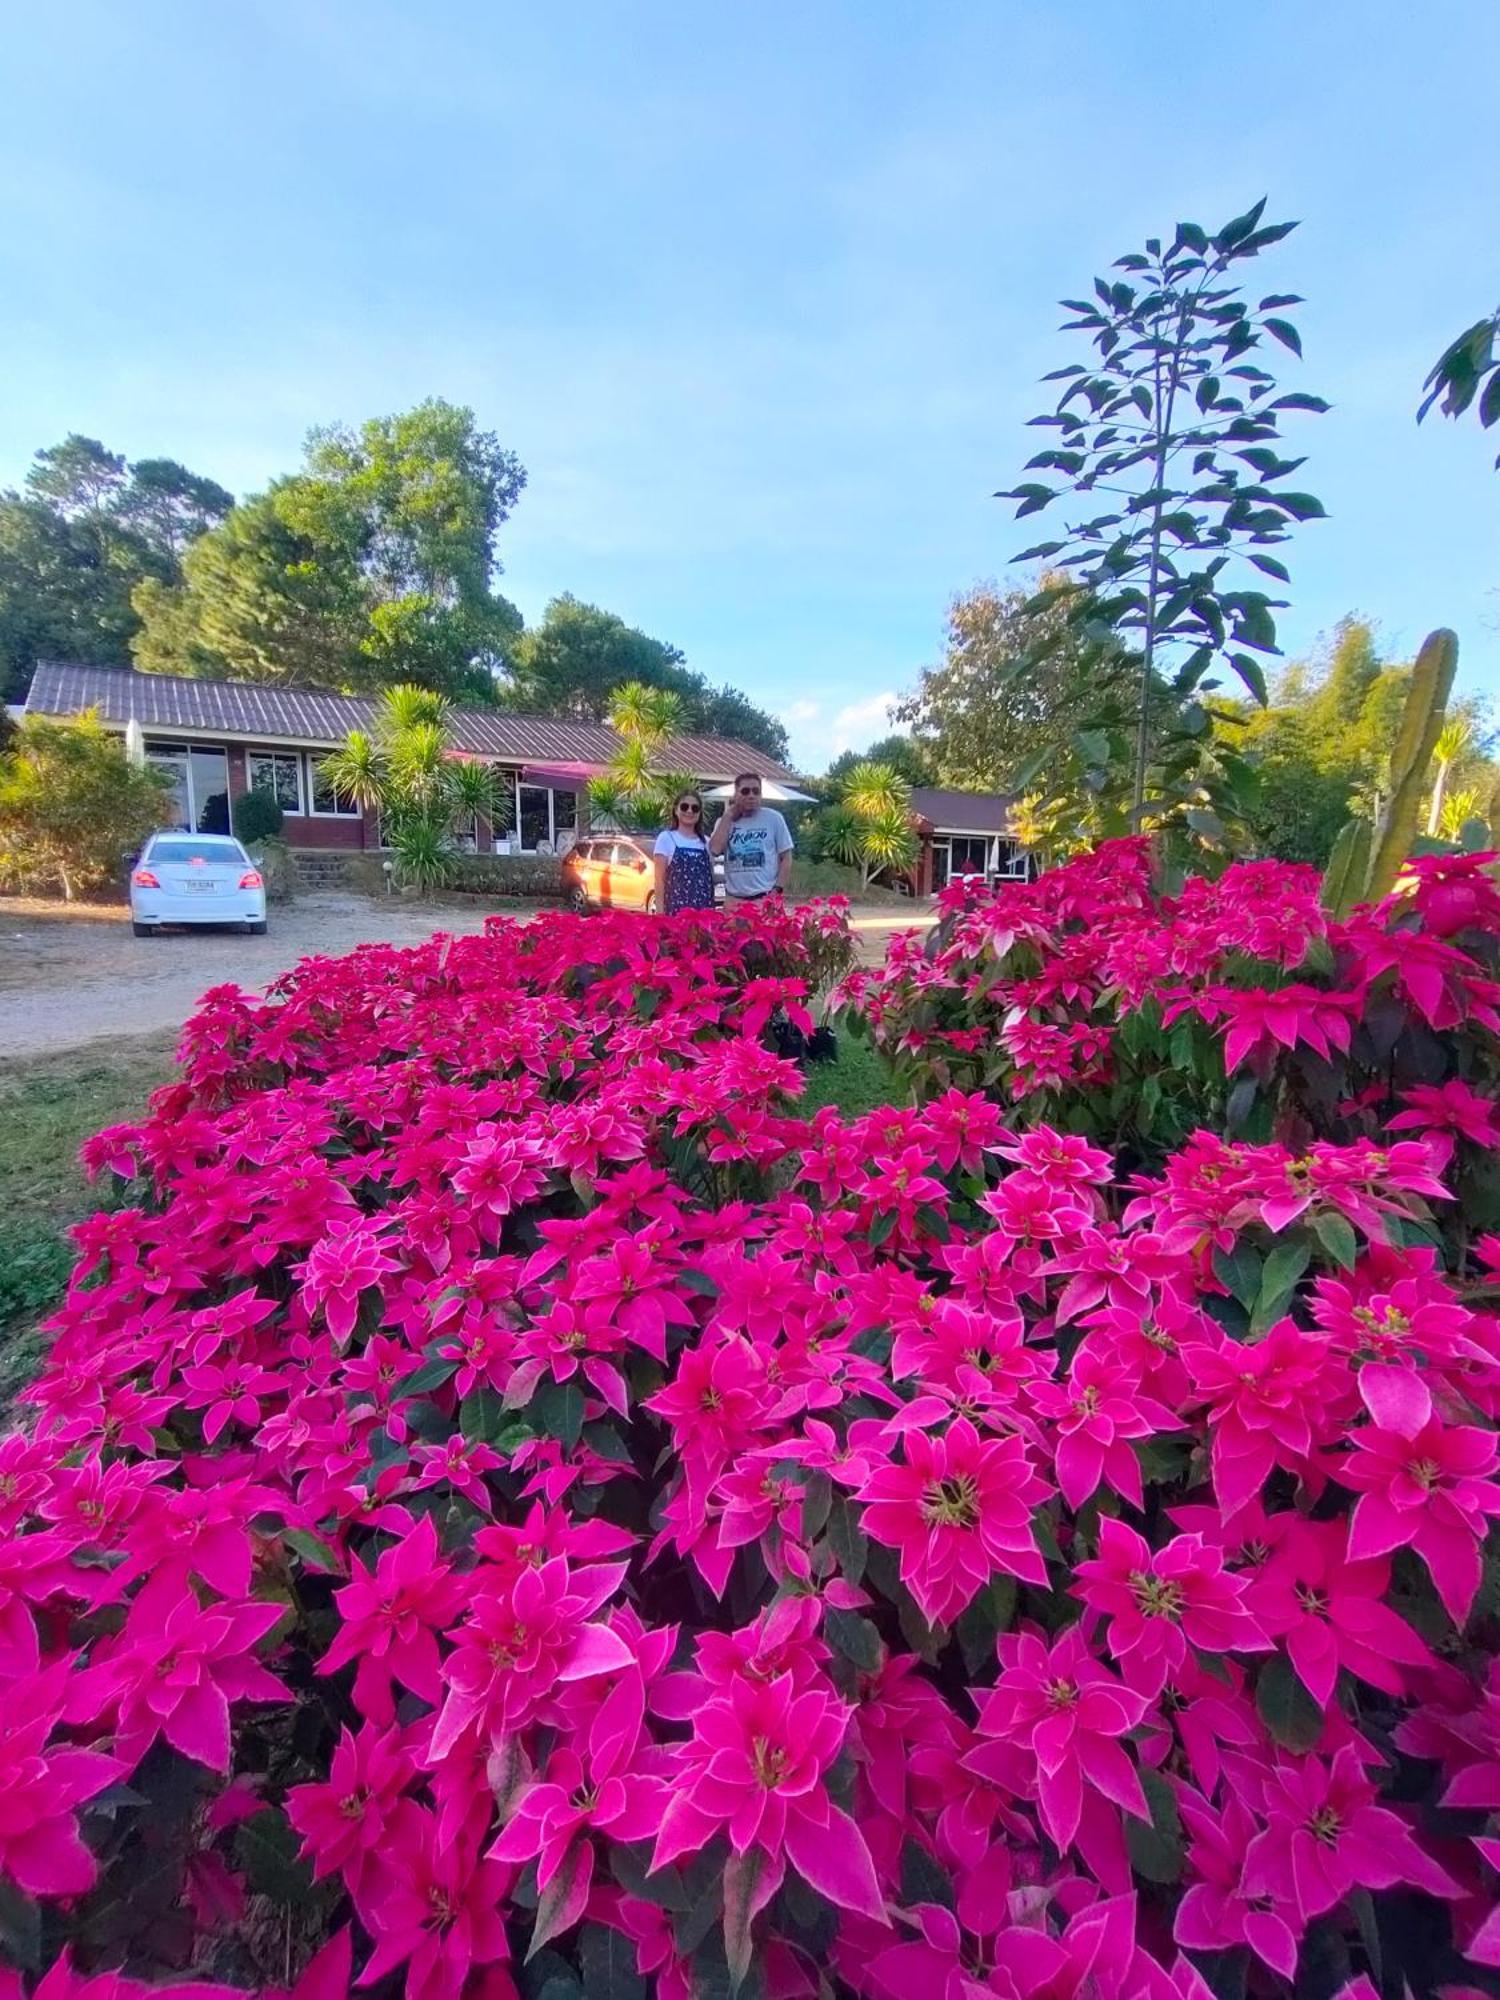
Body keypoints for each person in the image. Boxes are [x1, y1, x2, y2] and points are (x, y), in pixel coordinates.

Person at [710, 772, 794, 906]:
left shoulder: (774, 818)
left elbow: (786, 857)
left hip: (764, 899)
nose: (751, 795)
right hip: (734, 901)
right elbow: (714, 850)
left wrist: (777, 890)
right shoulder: (724, 822)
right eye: (745, 791)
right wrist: (728, 816)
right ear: (736, 794)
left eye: (756, 791)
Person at [653, 790, 716, 913]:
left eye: (695, 808)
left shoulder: (706, 843)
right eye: (684, 807)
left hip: (703, 914)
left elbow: (710, 880)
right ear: (676, 810)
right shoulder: (666, 838)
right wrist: (660, 913)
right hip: (675, 912)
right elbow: (659, 880)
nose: (689, 811)